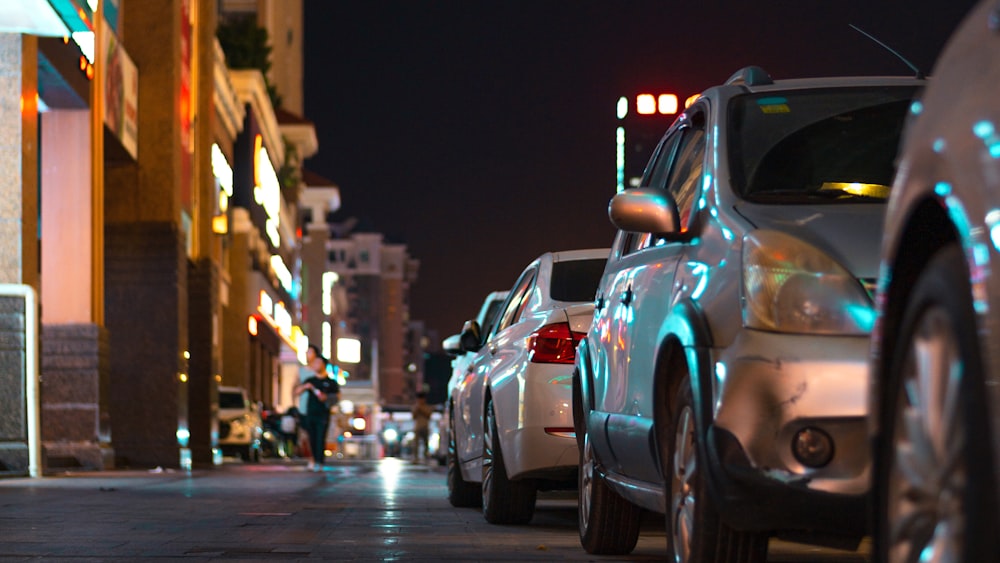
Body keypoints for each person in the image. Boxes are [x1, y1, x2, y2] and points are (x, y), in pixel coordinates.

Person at [293, 355, 339, 471]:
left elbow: (337, 397)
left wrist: (327, 397)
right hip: (310, 413)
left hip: (323, 414)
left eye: (318, 363)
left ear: (324, 365)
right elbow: (296, 391)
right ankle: (313, 460)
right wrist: (305, 386)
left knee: (320, 437)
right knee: (311, 437)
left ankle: (320, 462)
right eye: (314, 364)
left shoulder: (331, 382)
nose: (315, 365)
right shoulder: (310, 381)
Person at [411, 392, 434, 463]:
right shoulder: (415, 407)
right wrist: (417, 409)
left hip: (425, 427)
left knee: (425, 443)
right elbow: (413, 417)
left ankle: (426, 457)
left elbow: (429, 415)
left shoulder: (427, 407)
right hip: (417, 427)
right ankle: (415, 458)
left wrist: (421, 409)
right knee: (415, 444)